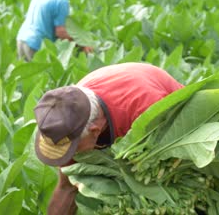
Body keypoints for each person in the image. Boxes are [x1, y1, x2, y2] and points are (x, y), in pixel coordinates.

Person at [33, 62, 184, 215]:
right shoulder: (67, 120)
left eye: (71, 149)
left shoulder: (146, 112)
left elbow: (178, 168)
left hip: (174, 119)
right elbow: (66, 187)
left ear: (95, 131)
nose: (68, 156)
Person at [17, 0, 90, 61]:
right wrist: (81, 45)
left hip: (22, 38)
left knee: (26, 74)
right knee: (42, 75)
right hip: (37, 44)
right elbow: (61, 33)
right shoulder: (61, 0)